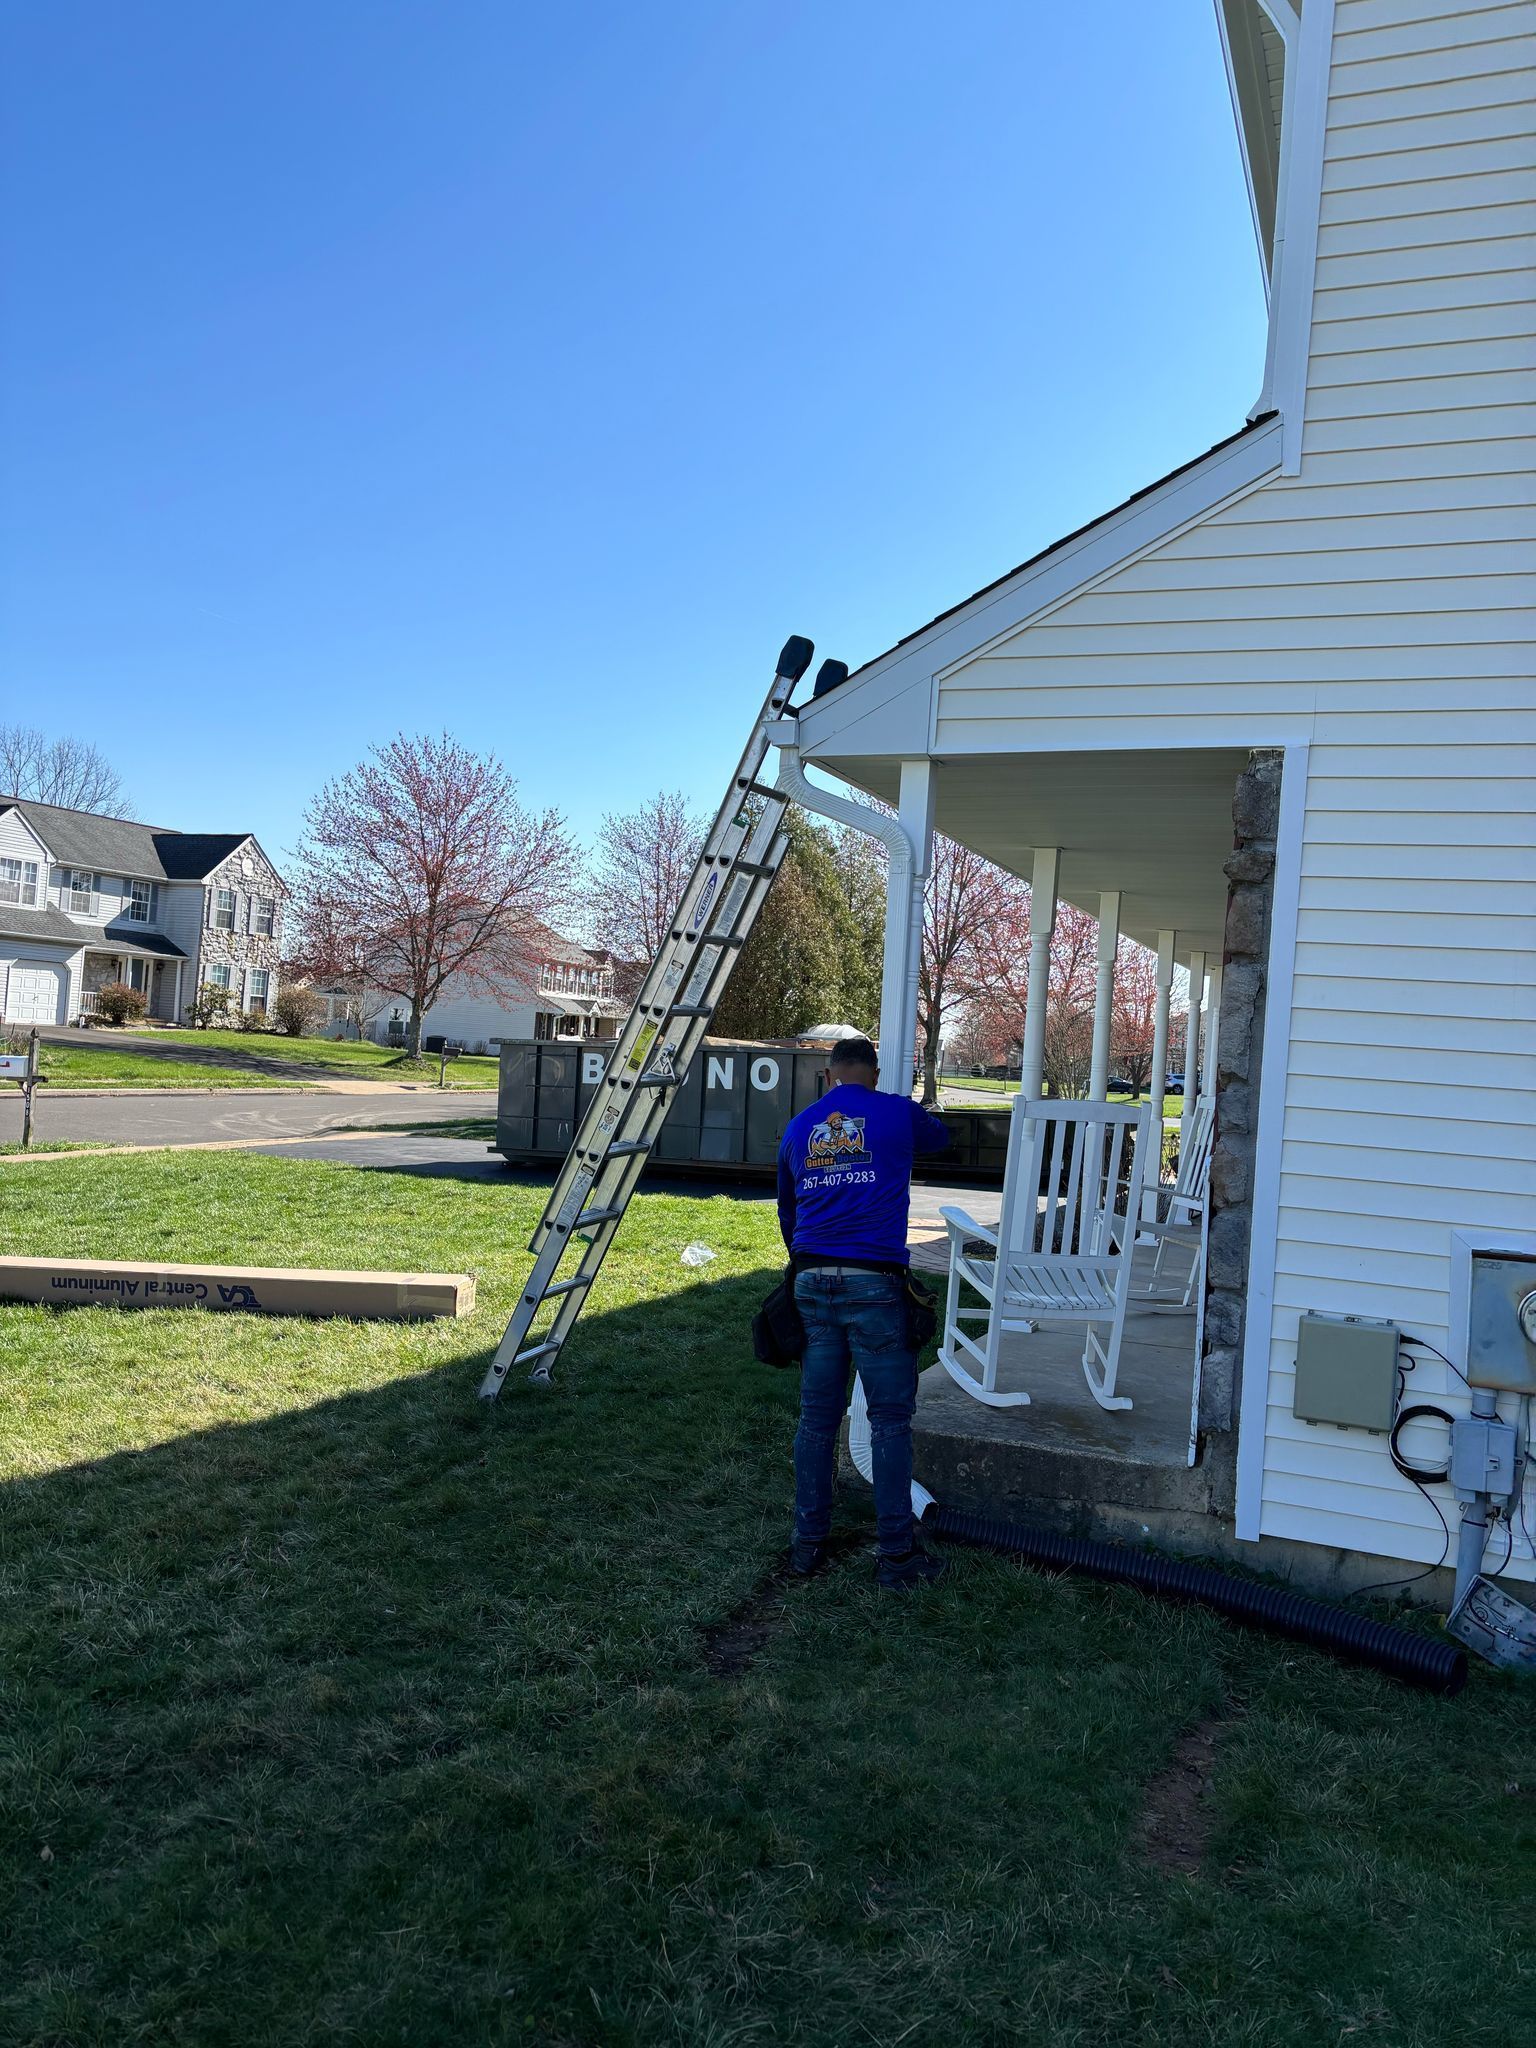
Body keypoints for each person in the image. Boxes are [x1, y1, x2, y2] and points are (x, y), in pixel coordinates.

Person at [775, 1034, 952, 1588]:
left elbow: (788, 1209)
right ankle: (897, 1556)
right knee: (889, 1421)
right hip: (874, 1283)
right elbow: (940, 1138)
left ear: (830, 1076)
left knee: (817, 1418)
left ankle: (807, 1546)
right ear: (873, 1073)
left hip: (811, 1280)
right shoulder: (897, 1112)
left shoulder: (801, 1126)